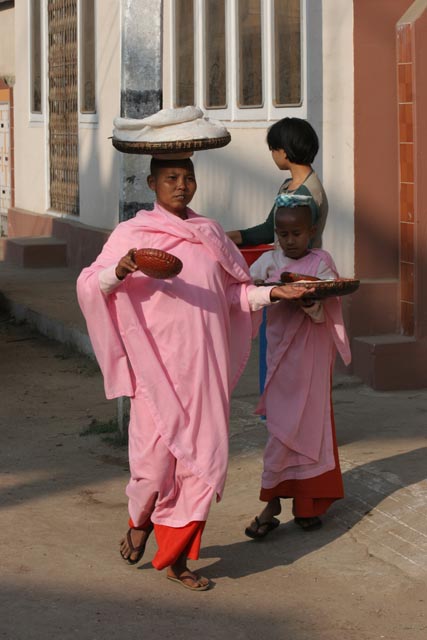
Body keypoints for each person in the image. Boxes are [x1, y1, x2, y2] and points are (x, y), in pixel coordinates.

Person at [77, 157, 312, 591]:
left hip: (203, 369)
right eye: (171, 178)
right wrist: (122, 268)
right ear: (152, 183)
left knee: (201, 464)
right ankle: (141, 518)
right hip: (155, 371)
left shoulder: (209, 233)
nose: (182, 186)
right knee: (153, 465)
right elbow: (90, 284)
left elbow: (233, 293)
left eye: (188, 178)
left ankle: (177, 558)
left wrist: (274, 292)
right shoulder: (132, 235)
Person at [244, 193, 351, 539]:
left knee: (310, 426)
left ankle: (306, 505)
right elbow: (245, 290)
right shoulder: (266, 262)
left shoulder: (322, 261)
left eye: (297, 234)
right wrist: (264, 289)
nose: (289, 241)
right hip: (279, 360)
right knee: (279, 428)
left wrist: (308, 299)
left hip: (312, 359)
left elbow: (327, 300)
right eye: (282, 234)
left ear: (312, 231)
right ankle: (272, 501)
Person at [227, 117, 328, 248]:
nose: (273, 155)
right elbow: (270, 229)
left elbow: (298, 246)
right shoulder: (289, 186)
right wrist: (230, 237)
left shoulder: (305, 193)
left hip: (297, 268)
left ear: (284, 151)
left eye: (273, 150)